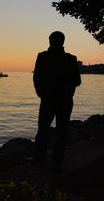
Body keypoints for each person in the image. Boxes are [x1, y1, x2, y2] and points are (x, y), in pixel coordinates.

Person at [33, 31, 81, 172]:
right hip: (64, 101)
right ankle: (56, 163)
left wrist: (41, 93)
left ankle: (39, 160)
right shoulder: (71, 59)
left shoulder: (42, 57)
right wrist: (68, 87)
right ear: (63, 41)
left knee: (43, 130)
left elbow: (36, 78)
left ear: (49, 41)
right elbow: (77, 81)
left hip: (48, 101)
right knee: (61, 132)